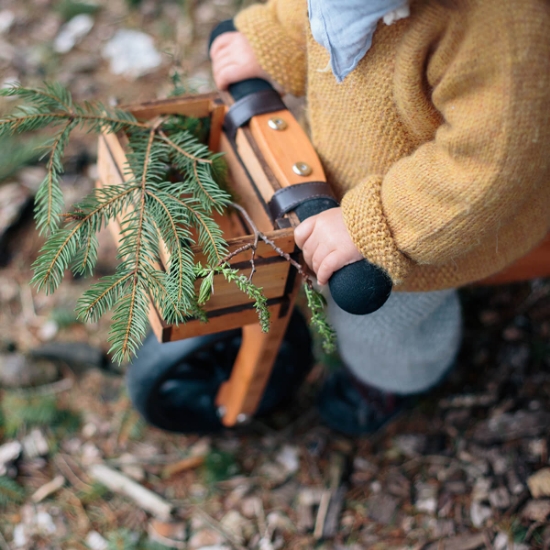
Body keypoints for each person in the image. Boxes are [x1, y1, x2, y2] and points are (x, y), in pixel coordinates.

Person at [209, 0, 550, 436]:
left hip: (439, 217)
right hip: (350, 167)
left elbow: (488, 167)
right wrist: (277, 39)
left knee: (380, 320)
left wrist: (377, 224)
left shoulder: (500, 33)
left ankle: (395, 379)